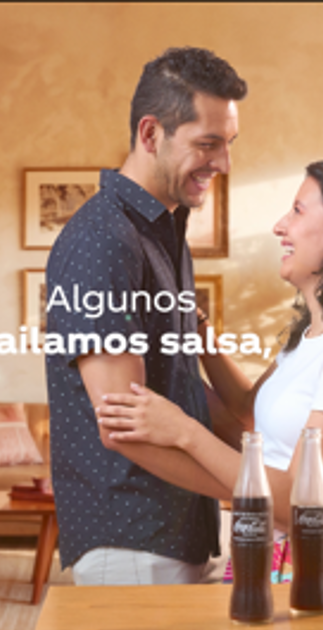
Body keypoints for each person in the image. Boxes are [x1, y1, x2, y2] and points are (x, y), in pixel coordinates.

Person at [98, 160, 323, 582]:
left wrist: (183, 431)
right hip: (264, 541)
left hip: (303, 554)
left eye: (297, 211)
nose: (279, 226)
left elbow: (298, 500)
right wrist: (195, 330)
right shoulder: (315, 333)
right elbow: (247, 410)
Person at [44, 46, 248, 586]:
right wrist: (258, 492)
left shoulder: (163, 231)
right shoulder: (104, 240)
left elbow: (177, 389)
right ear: (151, 134)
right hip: (133, 541)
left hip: (180, 533)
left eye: (228, 144)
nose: (223, 164)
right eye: (207, 144)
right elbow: (125, 427)